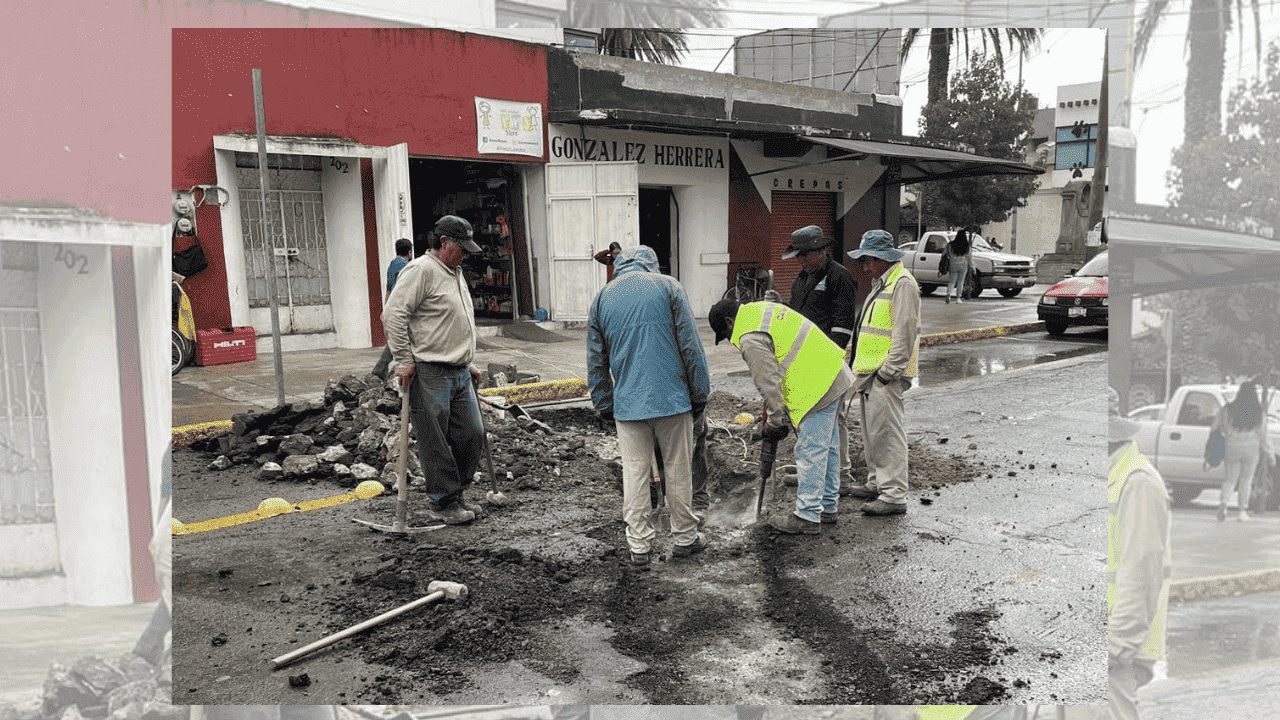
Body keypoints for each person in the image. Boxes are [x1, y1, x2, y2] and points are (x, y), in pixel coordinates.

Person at [588, 245, 711, 567]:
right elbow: (690, 344)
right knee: (678, 470)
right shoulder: (668, 286)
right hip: (672, 400)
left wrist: (604, 403)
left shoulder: (602, 298)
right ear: (650, 266)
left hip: (628, 406)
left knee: (636, 474)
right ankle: (685, 537)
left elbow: (595, 359)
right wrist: (700, 393)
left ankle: (639, 546)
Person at [708, 296, 853, 534]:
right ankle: (827, 507)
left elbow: (768, 382)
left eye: (725, 335)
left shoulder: (748, 336)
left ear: (729, 322)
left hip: (815, 384)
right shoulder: (759, 310)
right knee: (827, 447)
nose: (729, 341)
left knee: (810, 450)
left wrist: (776, 420)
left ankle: (807, 515)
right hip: (832, 371)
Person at [383, 215, 487, 525]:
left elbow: (453, 322)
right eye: (461, 248)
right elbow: (393, 315)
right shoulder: (421, 270)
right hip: (429, 371)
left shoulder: (454, 272)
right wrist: (403, 359)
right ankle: (443, 503)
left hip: (458, 371)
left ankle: (457, 494)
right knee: (435, 440)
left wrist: (468, 361)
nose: (465, 255)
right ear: (443, 243)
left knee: (472, 433)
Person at [844, 229, 922, 516]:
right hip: (870, 374)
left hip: (883, 374)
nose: (865, 266)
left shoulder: (902, 284)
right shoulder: (884, 283)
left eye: (868, 260)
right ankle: (877, 482)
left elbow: (904, 331)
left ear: (882, 258)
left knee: (887, 434)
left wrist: (888, 372)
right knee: (873, 433)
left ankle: (893, 495)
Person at [779, 225, 861, 497]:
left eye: (805, 256)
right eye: (798, 257)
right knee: (808, 418)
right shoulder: (802, 278)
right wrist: (781, 307)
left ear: (821, 250)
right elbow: (799, 315)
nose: (801, 262)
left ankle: (842, 474)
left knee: (833, 419)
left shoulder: (841, 277)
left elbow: (842, 325)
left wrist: (829, 361)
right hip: (804, 358)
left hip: (827, 359)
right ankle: (811, 470)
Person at [1108, 386, 1172, 720]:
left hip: (1115, 651)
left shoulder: (1137, 482)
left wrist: (1114, 649)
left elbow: (1142, 575)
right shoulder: (1110, 475)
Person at [1211, 379, 1274, 521]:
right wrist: (1270, 454)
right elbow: (1263, 435)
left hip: (1231, 446)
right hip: (1251, 449)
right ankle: (1242, 511)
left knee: (1229, 479)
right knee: (1246, 480)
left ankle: (1224, 503)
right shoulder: (1258, 412)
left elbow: (1215, 427)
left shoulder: (1228, 409)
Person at [372, 238, 414, 381]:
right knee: (405, 339)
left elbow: (389, 289)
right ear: (409, 252)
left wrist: (386, 309)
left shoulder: (392, 265)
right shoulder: (408, 267)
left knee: (396, 339)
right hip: (404, 307)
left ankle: (381, 368)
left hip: (394, 306)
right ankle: (383, 368)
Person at [943, 228, 973, 304]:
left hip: (953, 264)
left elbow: (944, 254)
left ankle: (949, 294)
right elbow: (969, 257)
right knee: (960, 282)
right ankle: (958, 298)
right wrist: (973, 266)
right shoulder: (967, 246)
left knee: (952, 281)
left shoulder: (950, 244)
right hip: (963, 265)